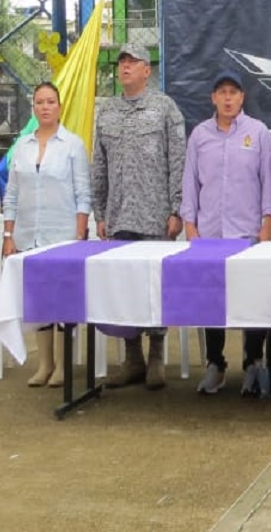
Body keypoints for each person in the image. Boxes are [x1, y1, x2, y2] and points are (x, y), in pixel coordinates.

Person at [92, 43, 186, 390]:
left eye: (133, 62)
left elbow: (178, 160)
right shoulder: (107, 111)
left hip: (155, 216)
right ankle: (132, 357)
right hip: (118, 217)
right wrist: (99, 212)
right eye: (122, 62)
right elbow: (98, 164)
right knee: (123, 289)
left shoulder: (165, 108)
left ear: (148, 70)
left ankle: (157, 354)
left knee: (154, 288)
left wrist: (176, 208)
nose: (126, 67)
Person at [180, 71, 271, 397]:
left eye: (233, 92)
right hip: (207, 235)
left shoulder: (259, 133)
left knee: (252, 301)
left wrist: (266, 226)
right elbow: (189, 184)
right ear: (213, 98)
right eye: (221, 92)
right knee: (210, 302)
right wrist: (190, 227)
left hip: (247, 234)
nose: (228, 98)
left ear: (242, 97)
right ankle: (215, 365)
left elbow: (268, 183)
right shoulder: (200, 136)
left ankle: (252, 362)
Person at [1, 82, 91, 388]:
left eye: (50, 101)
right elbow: (11, 195)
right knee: (38, 301)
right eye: (39, 102)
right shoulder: (22, 147)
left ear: (59, 106)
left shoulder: (73, 145)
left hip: (62, 235)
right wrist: (8, 234)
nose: (45, 107)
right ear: (33, 108)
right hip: (29, 235)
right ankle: (45, 364)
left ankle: (64, 366)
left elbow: (83, 193)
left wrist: (80, 233)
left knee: (63, 301)